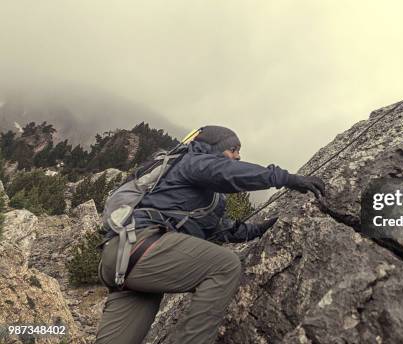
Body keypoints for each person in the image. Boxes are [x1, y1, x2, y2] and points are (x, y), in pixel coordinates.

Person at [95, 125, 325, 344]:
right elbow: (226, 172)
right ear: (213, 149)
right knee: (225, 266)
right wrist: (286, 179)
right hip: (141, 248)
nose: (237, 156)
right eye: (233, 149)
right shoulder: (192, 162)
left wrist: (258, 229)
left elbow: (217, 228)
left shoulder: (198, 194)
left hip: (124, 264)